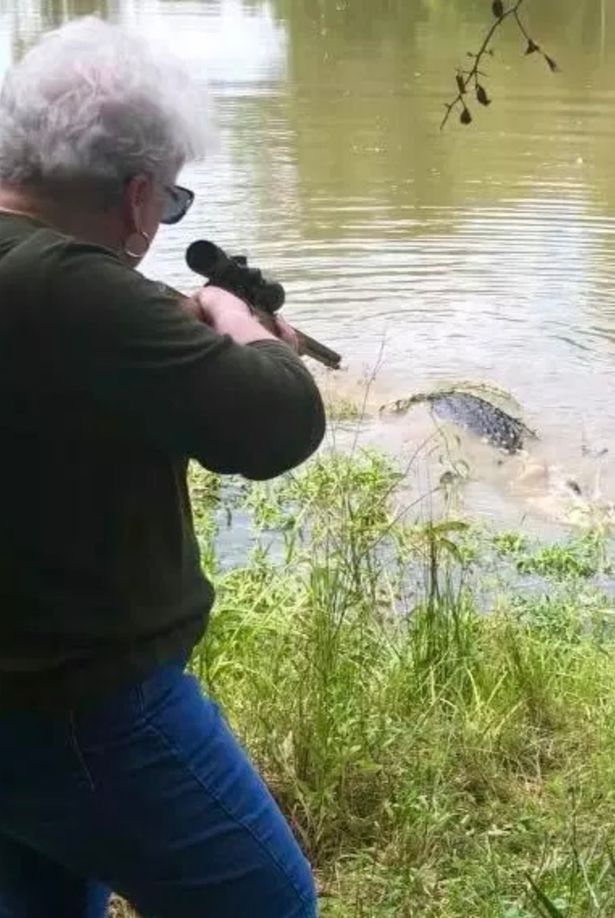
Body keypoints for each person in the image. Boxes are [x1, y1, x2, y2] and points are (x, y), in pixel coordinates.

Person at [0, 16, 325, 918]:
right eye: (172, 201)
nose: (161, 223)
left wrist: (181, 323)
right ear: (139, 195)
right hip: (84, 705)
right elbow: (276, 423)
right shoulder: (73, 287)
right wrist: (243, 322)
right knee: (270, 901)